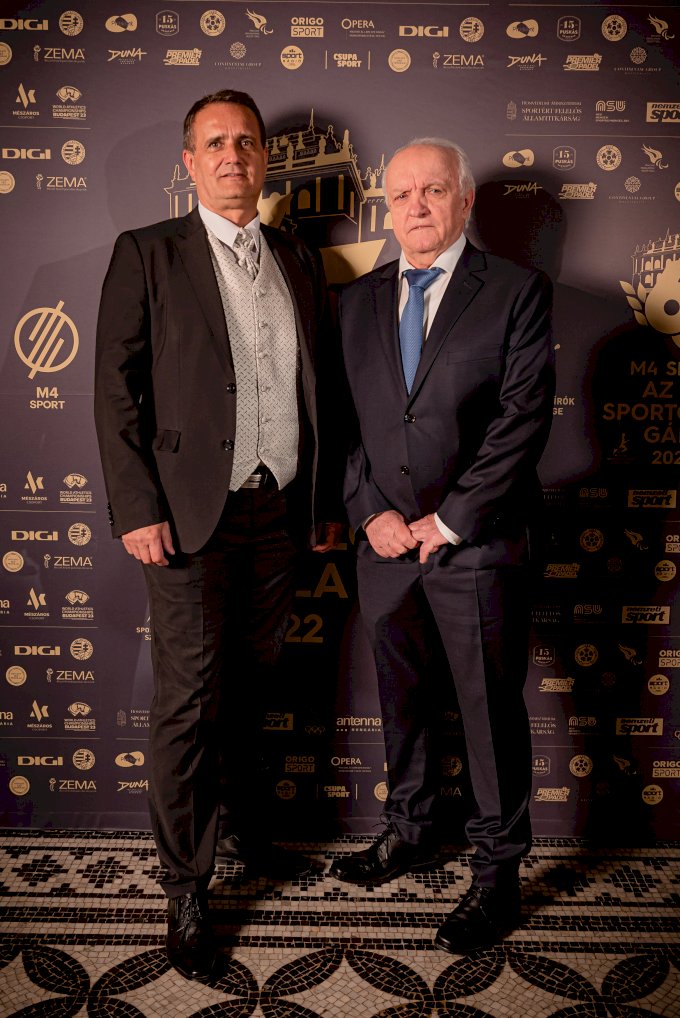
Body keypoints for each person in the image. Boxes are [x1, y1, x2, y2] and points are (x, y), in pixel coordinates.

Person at [94, 89, 340, 982]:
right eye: (215, 143)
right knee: (190, 701)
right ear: (189, 162)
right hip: (189, 517)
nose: (233, 155)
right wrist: (136, 507)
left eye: (246, 141)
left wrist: (323, 502)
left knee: (252, 682)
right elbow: (115, 390)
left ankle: (242, 831)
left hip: (279, 513)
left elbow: (320, 388)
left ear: (264, 158)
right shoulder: (148, 252)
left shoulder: (297, 256)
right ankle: (186, 886)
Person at [331, 138, 554, 953]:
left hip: (476, 547)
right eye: (402, 195)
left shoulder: (516, 291)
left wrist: (450, 519)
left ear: (465, 201)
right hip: (385, 551)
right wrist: (369, 514)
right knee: (403, 704)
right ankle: (411, 828)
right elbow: (343, 425)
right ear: (386, 208)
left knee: (489, 715)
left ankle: (496, 877)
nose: (416, 206)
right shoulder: (355, 302)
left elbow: (522, 420)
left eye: (433, 190)